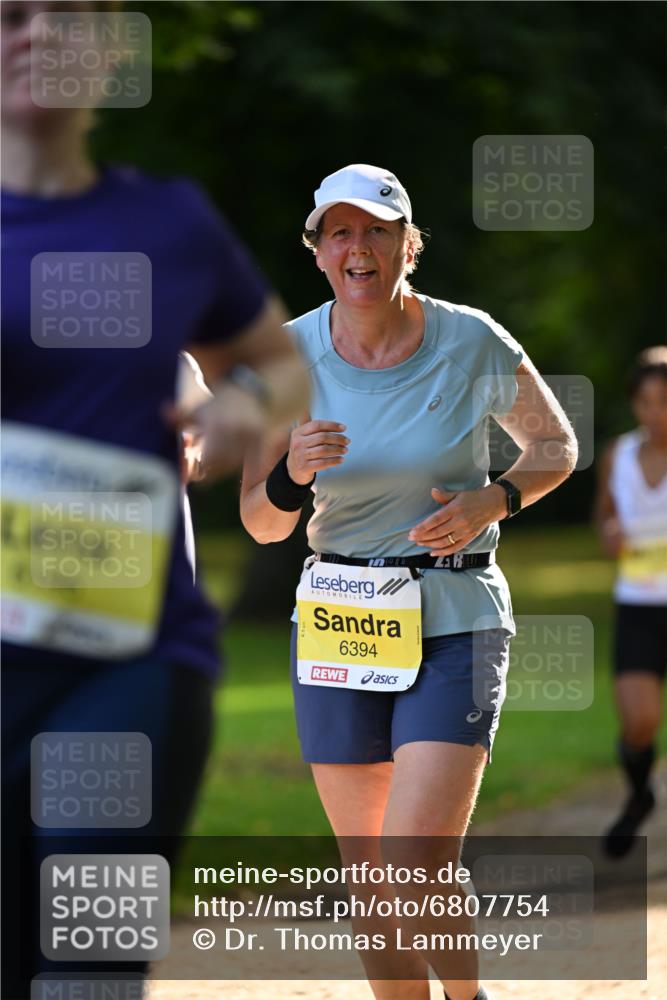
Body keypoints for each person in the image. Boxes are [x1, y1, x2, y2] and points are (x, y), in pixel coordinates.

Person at [1, 2, 308, 996]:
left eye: (65, 17)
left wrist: (242, 401)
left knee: (90, 965)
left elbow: (280, 362)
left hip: (129, 659)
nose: (37, 36)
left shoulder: (168, 222)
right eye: (10, 17)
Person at [240, 163, 578, 1000]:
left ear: (407, 246)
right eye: (340, 232)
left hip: (454, 609)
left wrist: (493, 499)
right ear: (318, 251)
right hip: (339, 619)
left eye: (377, 231)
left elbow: (554, 447)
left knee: (415, 858)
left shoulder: (470, 340)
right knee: (368, 874)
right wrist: (288, 473)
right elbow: (261, 521)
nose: (358, 247)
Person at [593, 346, 667, 858]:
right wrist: (609, 531)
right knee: (638, 722)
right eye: (646, 403)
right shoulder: (616, 454)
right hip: (638, 606)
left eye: (665, 403)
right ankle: (640, 795)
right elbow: (603, 515)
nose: (655, 413)